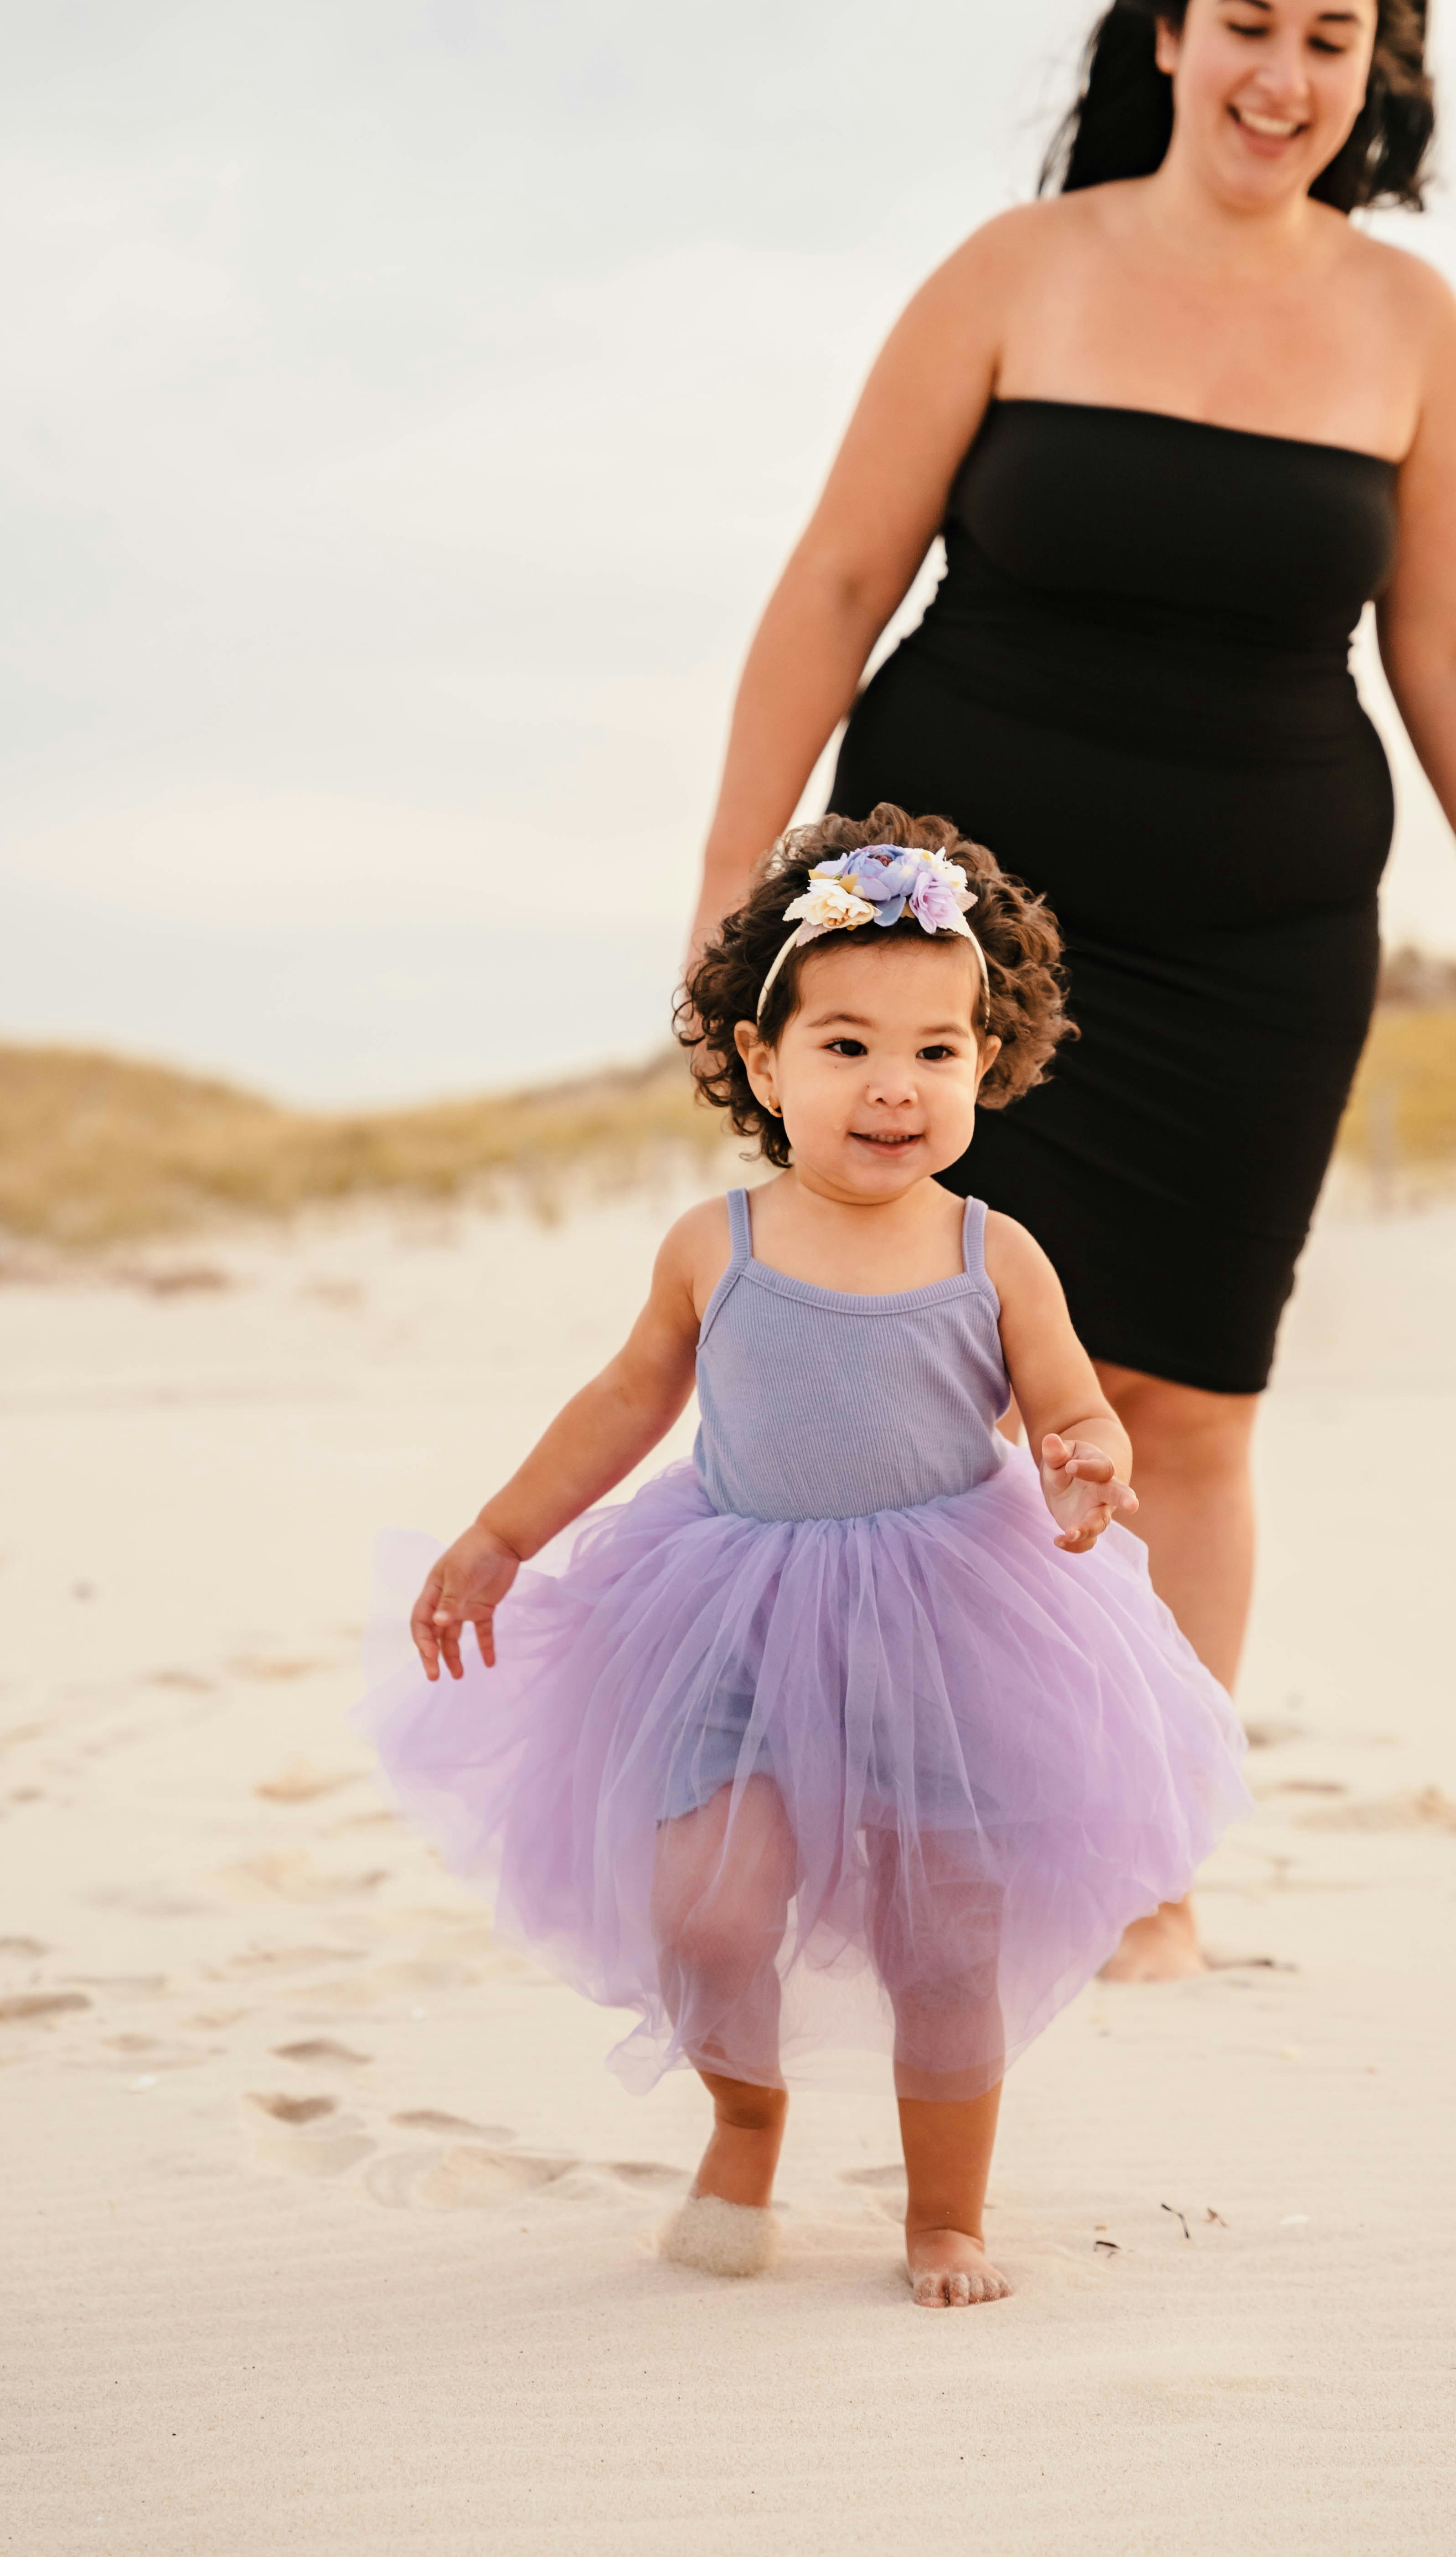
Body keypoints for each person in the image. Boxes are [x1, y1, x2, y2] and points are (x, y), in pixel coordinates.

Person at [685, 0, 1456, 1981]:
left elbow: (1451, 649)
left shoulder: (1406, 325)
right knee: (907, 1376)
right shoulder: (1017, 268)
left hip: (1260, 943)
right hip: (953, 952)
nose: (1283, 76)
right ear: (1169, 29)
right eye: (1247, 24)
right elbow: (835, 577)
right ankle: (875, 1821)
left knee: (1181, 1404)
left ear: (1377, 74)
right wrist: (737, 876)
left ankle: (1140, 1865)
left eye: (1329, 41)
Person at [359, 806, 1250, 2309]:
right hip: (729, 1614)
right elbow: (628, 1398)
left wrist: (1090, 1457)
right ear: (763, 1067)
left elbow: (1070, 1403)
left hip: (951, 1625)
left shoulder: (994, 1251)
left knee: (947, 1934)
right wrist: (504, 1535)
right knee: (705, 1908)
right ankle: (745, 2120)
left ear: (989, 1065)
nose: (893, 1086)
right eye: (846, 1047)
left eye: (936, 1050)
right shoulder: (718, 1242)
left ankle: (946, 2215)